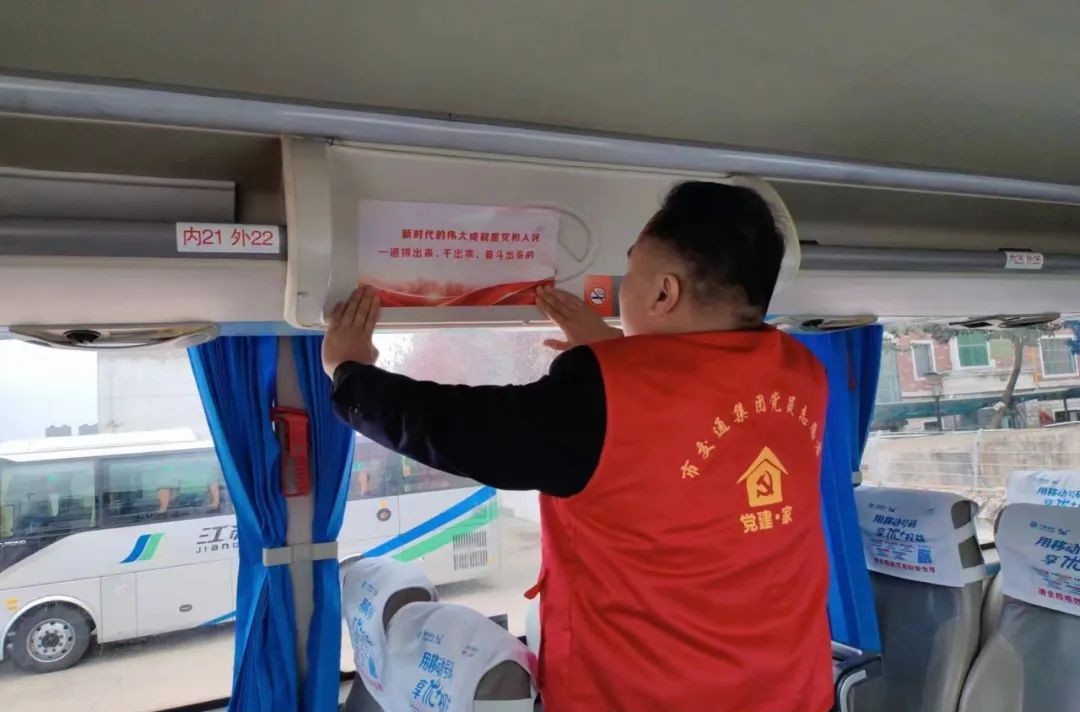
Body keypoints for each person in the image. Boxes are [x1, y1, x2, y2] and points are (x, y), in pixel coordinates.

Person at [323, 181, 833, 712]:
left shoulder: (600, 396)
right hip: (794, 691)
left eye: (631, 273)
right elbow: (697, 403)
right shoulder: (804, 373)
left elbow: (462, 429)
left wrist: (350, 375)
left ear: (664, 293)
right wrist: (617, 356)